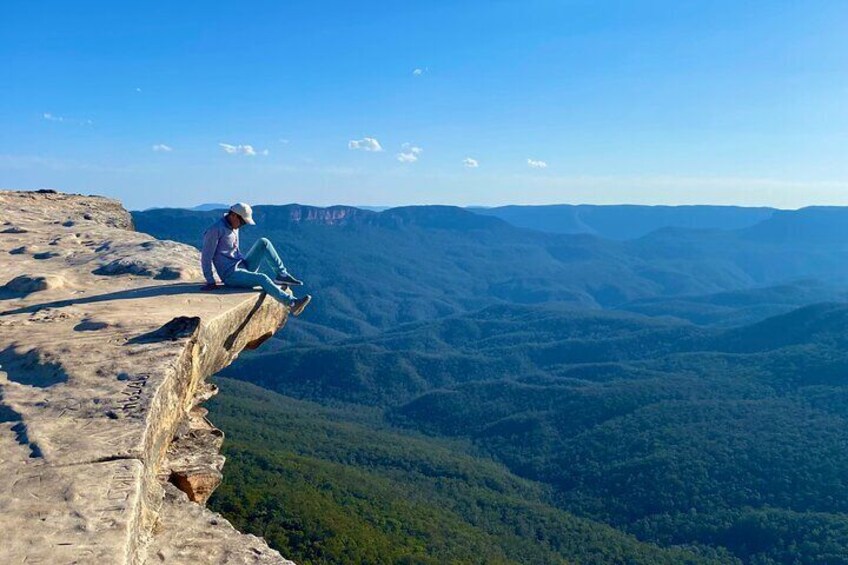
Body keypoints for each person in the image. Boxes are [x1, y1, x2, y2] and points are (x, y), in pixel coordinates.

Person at [200, 202, 312, 316]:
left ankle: (282, 275)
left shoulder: (233, 225)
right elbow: (206, 257)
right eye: (243, 222)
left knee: (264, 242)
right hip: (231, 275)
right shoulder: (215, 230)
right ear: (233, 215)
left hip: (242, 265)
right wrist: (210, 281)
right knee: (262, 278)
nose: (242, 225)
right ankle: (291, 303)